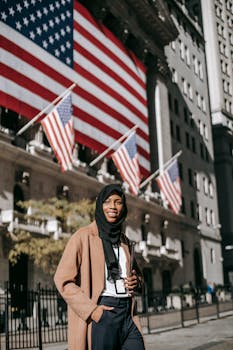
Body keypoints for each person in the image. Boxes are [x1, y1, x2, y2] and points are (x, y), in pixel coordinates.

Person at [54, 184, 145, 350]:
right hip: (103, 312)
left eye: (118, 202)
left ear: (123, 207)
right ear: (100, 205)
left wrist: (136, 282)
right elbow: (62, 279)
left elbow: (138, 276)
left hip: (127, 314)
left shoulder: (124, 241)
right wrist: (93, 311)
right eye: (108, 201)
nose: (113, 206)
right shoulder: (83, 236)